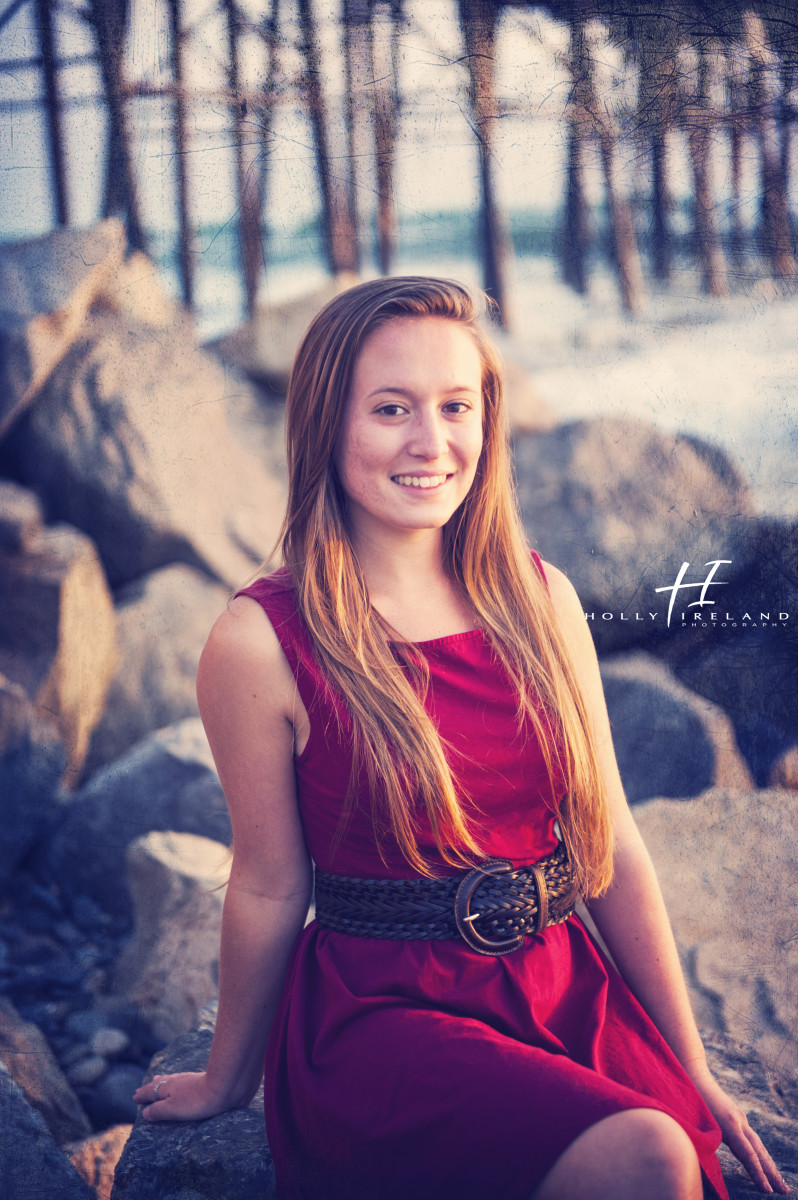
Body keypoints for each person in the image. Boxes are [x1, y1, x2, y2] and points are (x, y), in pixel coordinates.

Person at [133, 276, 788, 1200]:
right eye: (391, 409)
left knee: (678, 1147)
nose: (430, 442)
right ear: (328, 423)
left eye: (456, 407)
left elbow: (609, 851)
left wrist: (695, 1067)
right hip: (383, 1019)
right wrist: (229, 1077)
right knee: (647, 1158)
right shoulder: (261, 640)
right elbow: (270, 882)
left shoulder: (541, 598)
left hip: (563, 986)